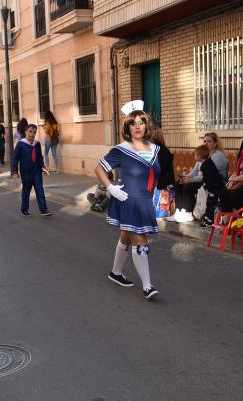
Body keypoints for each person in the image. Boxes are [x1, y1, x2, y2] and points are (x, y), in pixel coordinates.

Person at [94, 100, 160, 300]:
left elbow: (154, 175)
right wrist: (111, 187)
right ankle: (147, 286)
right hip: (127, 200)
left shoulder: (155, 149)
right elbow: (99, 168)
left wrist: (159, 193)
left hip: (145, 201)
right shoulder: (121, 149)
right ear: (127, 127)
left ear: (147, 125)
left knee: (126, 235)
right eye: (133, 123)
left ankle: (115, 272)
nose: (138, 126)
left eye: (142, 121)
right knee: (139, 239)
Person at [171, 132, 228, 222]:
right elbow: (195, 171)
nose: (206, 143)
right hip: (201, 179)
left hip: (214, 183)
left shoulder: (218, 156)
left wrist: (190, 180)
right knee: (178, 184)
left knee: (188, 187)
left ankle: (187, 212)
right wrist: (185, 178)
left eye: (209, 141)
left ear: (215, 143)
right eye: (204, 141)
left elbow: (208, 176)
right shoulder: (203, 153)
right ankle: (179, 211)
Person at [11, 124, 52, 217]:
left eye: (34, 132)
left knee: (40, 190)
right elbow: (15, 159)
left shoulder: (36, 144)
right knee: (26, 191)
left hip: (36, 171)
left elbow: (39, 157)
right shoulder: (21, 144)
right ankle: (24, 209)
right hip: (26, 172)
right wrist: (14, 172)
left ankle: (44, 209)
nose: (32, 134)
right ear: (25, 132)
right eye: (30, 131)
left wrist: (43, 167)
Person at [194, 145, 226, 227]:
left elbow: (210, 179)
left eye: (195, 154)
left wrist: (206, 186)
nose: (194, 156)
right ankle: (207, 217)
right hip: (215, 187)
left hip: (215, 188)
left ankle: (210, 219)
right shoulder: (207, 163)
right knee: (210, 203)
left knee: (212, 203)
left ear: (199, 156)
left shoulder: (206, 166)